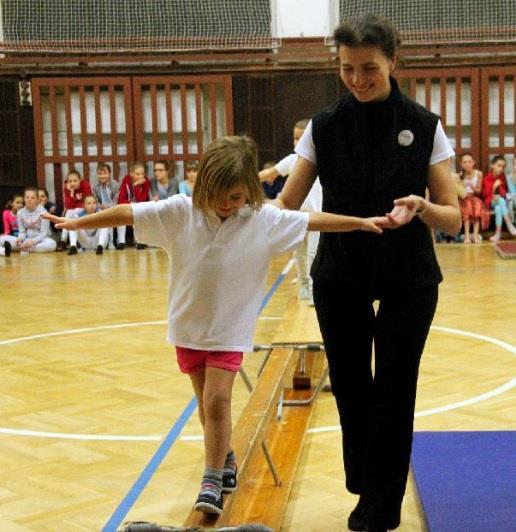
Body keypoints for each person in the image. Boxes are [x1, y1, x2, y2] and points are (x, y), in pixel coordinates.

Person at [43, 135, 386, 517]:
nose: (227, 205)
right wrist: (76, 222)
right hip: (188, 328)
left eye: (237, 197)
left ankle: (210, 479)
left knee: (217, 399)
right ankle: (226, 459)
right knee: (206, 406)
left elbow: (310, 220)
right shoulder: (179, 212)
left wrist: (359, 222)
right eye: (220, 196)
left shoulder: (261, 220)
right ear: (203, 186)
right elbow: (128, 212)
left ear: (249, 194)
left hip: (229, 330)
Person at [273, 15, 461, 532]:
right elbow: (288, 207)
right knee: (354, 388)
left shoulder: (424, 126)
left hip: (409, 277)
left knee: (396, 389)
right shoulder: (324, 125)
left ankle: (380, 506)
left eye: (369, 69)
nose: (357, 79)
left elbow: (455, 214)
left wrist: (422, 205)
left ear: (393, 62)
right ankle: (367, 479)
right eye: (347, 69)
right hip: (340, 275)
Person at [259, 119, 323, 303]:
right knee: (299, 255)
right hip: (296, 216)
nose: (297, 143)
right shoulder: (292, 160)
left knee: (313, 255)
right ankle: (304, 286)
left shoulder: (324, 160)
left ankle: (313, 291)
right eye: (295, 138)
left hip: (317, 217)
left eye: (301, 139)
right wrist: (243, 180)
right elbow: (269, 173)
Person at [482, 154, 516, 242]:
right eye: (499, 165)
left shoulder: (502, 177)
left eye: (503, 167)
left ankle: (497, 234)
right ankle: (509, 224)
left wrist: (500, 191)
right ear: (492, 165)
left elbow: (504, 193)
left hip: (501, 203)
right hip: (490, 202)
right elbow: (485, 194)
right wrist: (493, 188)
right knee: (500, 201)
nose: (501, 168)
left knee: (498, 208)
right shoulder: (487, 178)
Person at [117, 161, 151, 249]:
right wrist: (132, 204)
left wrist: (136, 186)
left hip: (141, 207)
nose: (141, 176)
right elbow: (120, 199)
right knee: (121, 215)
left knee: (138, 214)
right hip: (129, 206)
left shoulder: (146, 183)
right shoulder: (126, 181)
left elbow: (141, 200)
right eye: (138, 174)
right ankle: (121, 242)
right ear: (131, 174)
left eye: (142, 174)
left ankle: (140, 241)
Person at [58, 169, 93, 254]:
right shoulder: (67, 188)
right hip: (73, 210)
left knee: (70, 213)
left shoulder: (85, 185)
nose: (72, 183)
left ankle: (63, 240)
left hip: (83, 209)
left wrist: (76, 208)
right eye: (70, 181)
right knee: (69, 213)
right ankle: (65, 241)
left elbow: (87, 201)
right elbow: (69, 205)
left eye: (75, 181)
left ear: (80, 180)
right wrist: (71, 192)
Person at [457, 153, 489, 244]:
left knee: (476, 206)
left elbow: (479, 191)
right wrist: (463, 190)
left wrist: (472, 187)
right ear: (461, 164)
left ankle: (475, 235)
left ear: (473, 163)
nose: (467, 164)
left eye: (469, 162)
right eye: (465, 162)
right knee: (468, 206)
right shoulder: (460, 175)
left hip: (475, 198)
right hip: (463, 199)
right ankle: (467, 235)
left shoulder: (478, 174)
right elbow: (458, 192)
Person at [16, 187, 57, 253]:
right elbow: (22, 232)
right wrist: (20, 239)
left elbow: (44, 233)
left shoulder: (44, 212)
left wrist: (33, 241)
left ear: (37, 200)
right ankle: (24, 247)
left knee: (52, 244)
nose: (29, 200)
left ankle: (26, 249)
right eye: (27, 197)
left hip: (41, 239)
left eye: (32, 198)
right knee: (3, 239)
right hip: (27, 239)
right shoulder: (20, 213)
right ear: (24, 199)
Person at [92, 161, 122, 248]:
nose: (102, 176)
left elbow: (116, 198)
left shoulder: (115, 185)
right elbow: (95, 199)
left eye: (105, 173)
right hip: (101, 208)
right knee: (103, 217)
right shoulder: (95, 187)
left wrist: (109, 206)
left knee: (112, 215)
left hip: (112, 207)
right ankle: (107, 240)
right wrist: (100, 206)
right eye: (100, 174)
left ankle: (114, 241)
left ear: (109, 174)